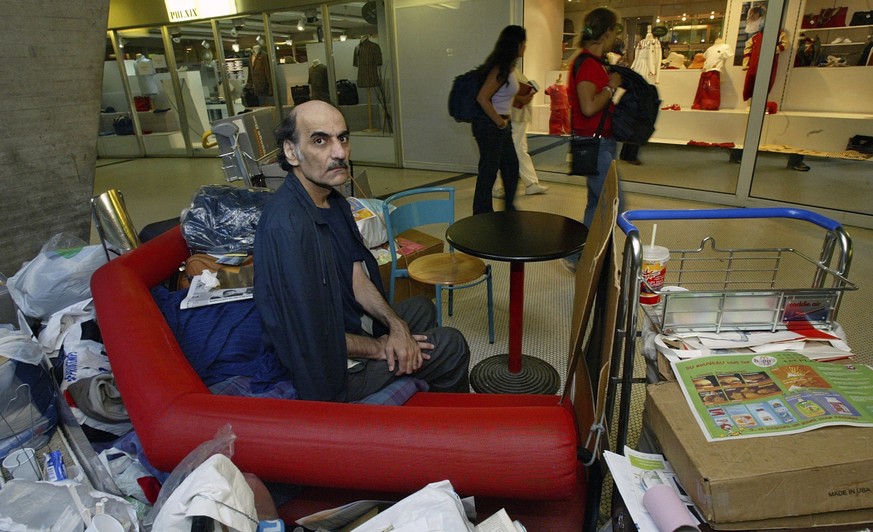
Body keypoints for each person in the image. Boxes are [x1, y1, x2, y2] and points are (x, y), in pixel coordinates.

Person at [254, 100, 471, 403]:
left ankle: (420, 393)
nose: (339, 152)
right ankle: (451, 428)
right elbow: (313, 338)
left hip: (347, 328)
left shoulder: (334, 201)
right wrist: (382, 347)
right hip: (331, 371)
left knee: (420, 308)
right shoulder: (287, 228)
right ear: (292, 152)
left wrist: (397, 328)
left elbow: (356, 276)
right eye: (320, 140)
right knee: (451, 344)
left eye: (342, 138)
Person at [562, 7, 625, 273]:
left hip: (597, 141)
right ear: (608, 32)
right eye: (615, 31)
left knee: (595, 204)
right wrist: (611, 86)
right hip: (596, 143)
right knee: (613, 205)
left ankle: (579, 258)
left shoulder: (591, 61)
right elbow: (588, 106)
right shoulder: (588, 63)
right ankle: (597, 262)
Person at [736, 5, 809, 172]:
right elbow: (747, 51)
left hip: (768, 64)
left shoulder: (777, 34)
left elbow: (785, 44)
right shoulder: (755, 38)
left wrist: (772, 51)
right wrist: (746, 65)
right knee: (751, 85)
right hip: (755, 65)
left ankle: (760, 106)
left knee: (765, 85)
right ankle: (754, 105)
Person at [472, 25, 531, 214]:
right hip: (492, 125)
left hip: (501, 125)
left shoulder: (509, 67)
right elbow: (482, 98)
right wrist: (499, 122)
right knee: (489, 172)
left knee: (510, 168)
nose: (526, 46)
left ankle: (508, 209)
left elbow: (502, 96)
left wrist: (520, 99)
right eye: (524, 43)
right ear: (518, 44)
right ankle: (481, 216)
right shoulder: (501, 68)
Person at [493, 68, 549, 198]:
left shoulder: (512, 69)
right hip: (511, 116)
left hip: (517, 116)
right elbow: (499, 93)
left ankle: (531, 183)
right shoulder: (503, 69)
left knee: (519, 149)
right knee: (510, 150)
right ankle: (497, 186)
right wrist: (520, 98)